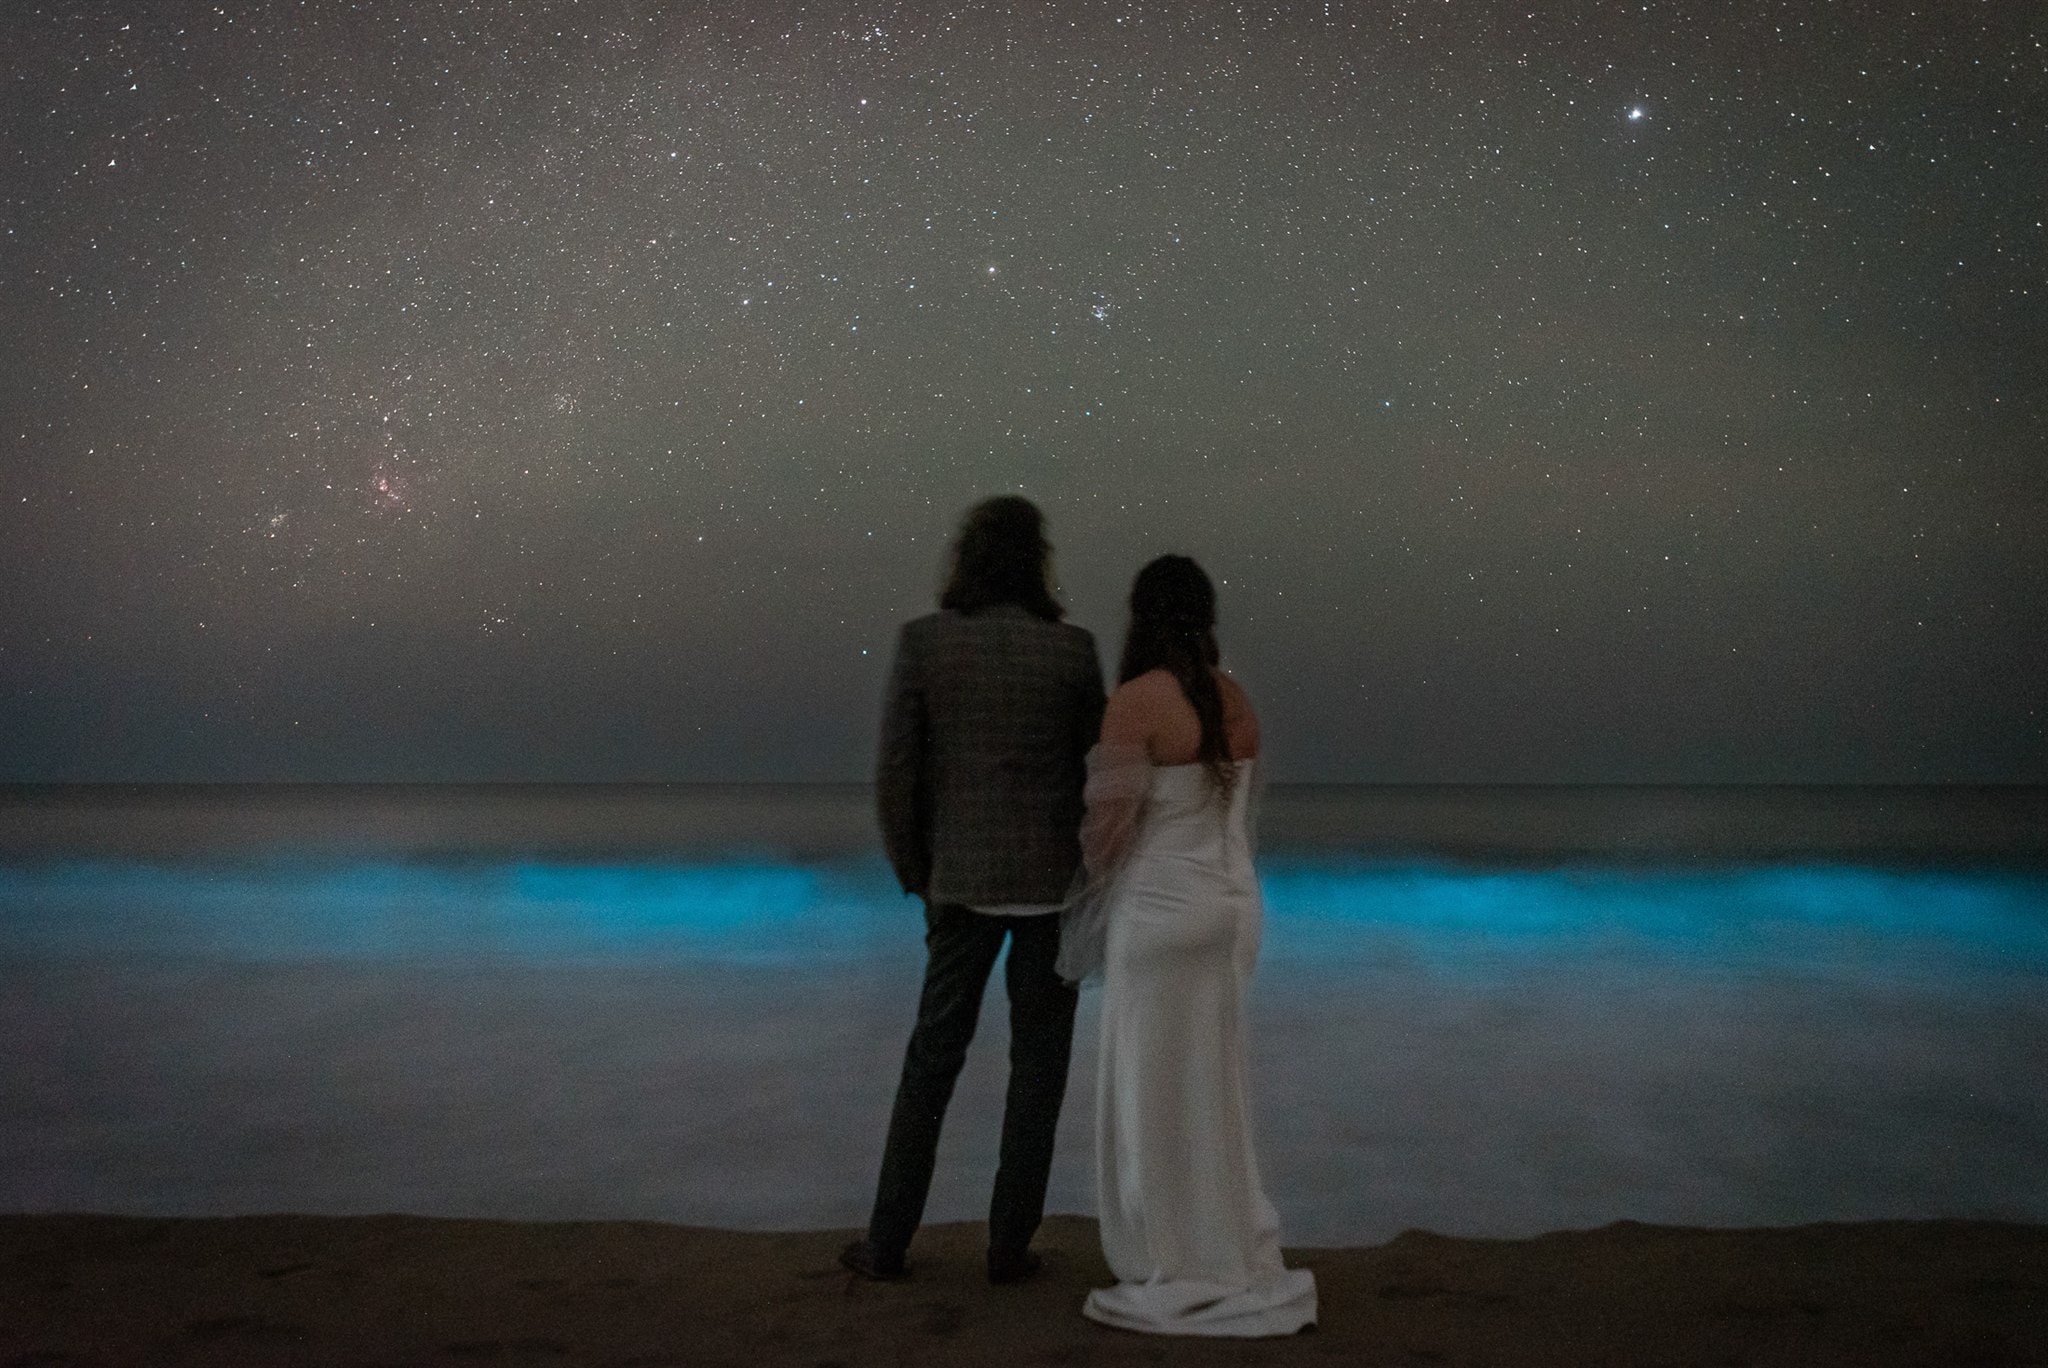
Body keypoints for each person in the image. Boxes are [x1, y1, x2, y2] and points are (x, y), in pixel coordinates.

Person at [841, 496, 1107, 1285]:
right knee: (1038, 1070)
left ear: (966, 559)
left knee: (931, 1063)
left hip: (958, 883)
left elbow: (897, 773)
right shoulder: (1073, 651)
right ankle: (1007, 1247)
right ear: (1039, 563)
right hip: (1050, 888)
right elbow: (1097, 774)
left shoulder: (925, 644)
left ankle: (887, 1244)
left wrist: (916, 872)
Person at [1059, 554, 1317, 1336]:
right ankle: (1224, 1239)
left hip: (1162, 916)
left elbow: (1107, 839)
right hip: (1231, 911)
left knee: (1150, 1089)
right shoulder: (1236, 700)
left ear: (1140, 617)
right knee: (1212, 1086)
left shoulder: (1134, 704)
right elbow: (1234, 821)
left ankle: (1166, 1250)